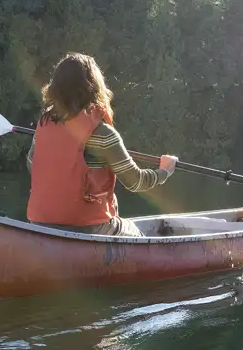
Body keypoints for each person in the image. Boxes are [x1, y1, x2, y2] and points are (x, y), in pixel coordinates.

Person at [26, 52, 178, 237]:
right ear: (93, 87)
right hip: (87, 227)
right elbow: (136, 181)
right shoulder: (103, 135)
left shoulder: (44, 125)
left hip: (39, 224)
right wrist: (164, 172)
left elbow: (32, 165)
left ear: (55, 88)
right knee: (138, 236)